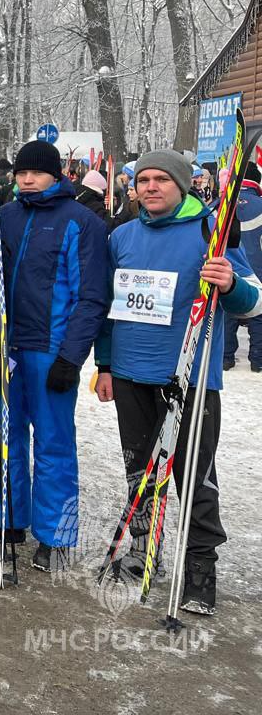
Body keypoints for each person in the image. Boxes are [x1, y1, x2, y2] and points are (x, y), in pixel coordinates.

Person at [94, 150, 262, 616]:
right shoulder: (122, 235)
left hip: (190, 378)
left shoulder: (213, 231)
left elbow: (253, 305)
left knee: (194, 478)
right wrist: (105, 364)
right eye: (143, 179)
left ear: (182, 184)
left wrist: (230, 284)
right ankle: (144, 548)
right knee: (140, 472)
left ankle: (199, 570)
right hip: (130, 375)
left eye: (161, 180)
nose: (150, 187)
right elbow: (111, 306)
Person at [0, 140, 109, 573]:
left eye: (36, 172)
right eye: (21, 172)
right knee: (3, 436)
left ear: (56, 174)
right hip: (6, 345)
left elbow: (91, 298)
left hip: (50, 349)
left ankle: (55, 534)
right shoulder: (8, 215)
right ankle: (5, 518)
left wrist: (71, 357)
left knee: (55, 444)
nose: (26, 179)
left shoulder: (80, 222)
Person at [225, 161, 262, 371]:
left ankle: (225, 357)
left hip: (227, 268)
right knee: (259, 315)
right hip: (258, 267)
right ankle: (258, 360)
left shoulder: (219, 204)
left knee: (228, 312)